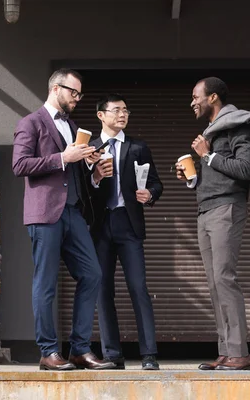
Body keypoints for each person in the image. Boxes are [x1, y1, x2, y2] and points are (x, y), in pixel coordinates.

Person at [12, 68, 115, 371]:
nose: (77, 98)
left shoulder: (73, 127)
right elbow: (19, 165)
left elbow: (73, 174)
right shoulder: (30, 123)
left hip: (73, 212)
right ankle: (48, 352)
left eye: (79, 94)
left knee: (92, 274)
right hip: (44, 213)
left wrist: (91, 169)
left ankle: (79, 350)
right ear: (56, 89)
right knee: (45, 283)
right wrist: (62, 158)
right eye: (74, 92)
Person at [175, 77, 250, 371]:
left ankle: (239, 353)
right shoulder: (211, 131)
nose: (192, 102)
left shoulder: (238, 125)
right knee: (213, 283)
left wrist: (206, 155)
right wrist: (192, 178)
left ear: (212, 98)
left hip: (227, 208)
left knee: (224, 278)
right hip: (205, 210)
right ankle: (226, 352)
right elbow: (216, 174)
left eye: (195, 96)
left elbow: (246, 169)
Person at [89, 94, 163, 370]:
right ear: (101, 115)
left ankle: (149, 354)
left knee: (138, 287)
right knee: (102, 289)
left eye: (126, 110)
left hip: (129, 224)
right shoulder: (90, 148)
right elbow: (82, 189)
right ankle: (111, 354)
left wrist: (150, 194)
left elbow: (156, 183)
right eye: (117, 110)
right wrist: (95, 178)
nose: (123, 114)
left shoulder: (137, 147)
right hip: (100, 226)